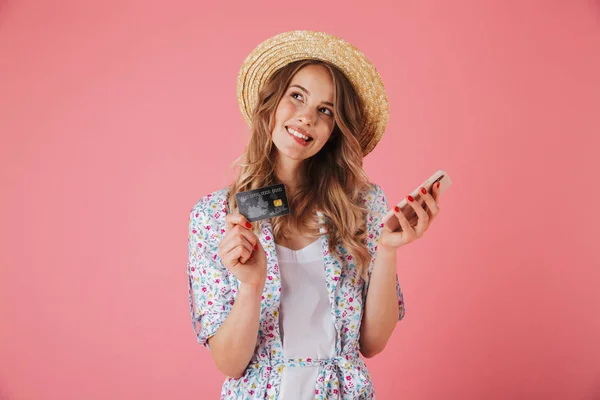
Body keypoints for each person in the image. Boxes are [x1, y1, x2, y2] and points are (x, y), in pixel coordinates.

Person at [187, 30, 442, 400]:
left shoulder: (362, 205)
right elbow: (230, 364)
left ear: (334, 131)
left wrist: (387, 249)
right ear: (271, 103)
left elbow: (371, 343)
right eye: (296, 97)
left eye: (325, 110)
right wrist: (251, 285)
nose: (306, 117)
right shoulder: (215, 216)